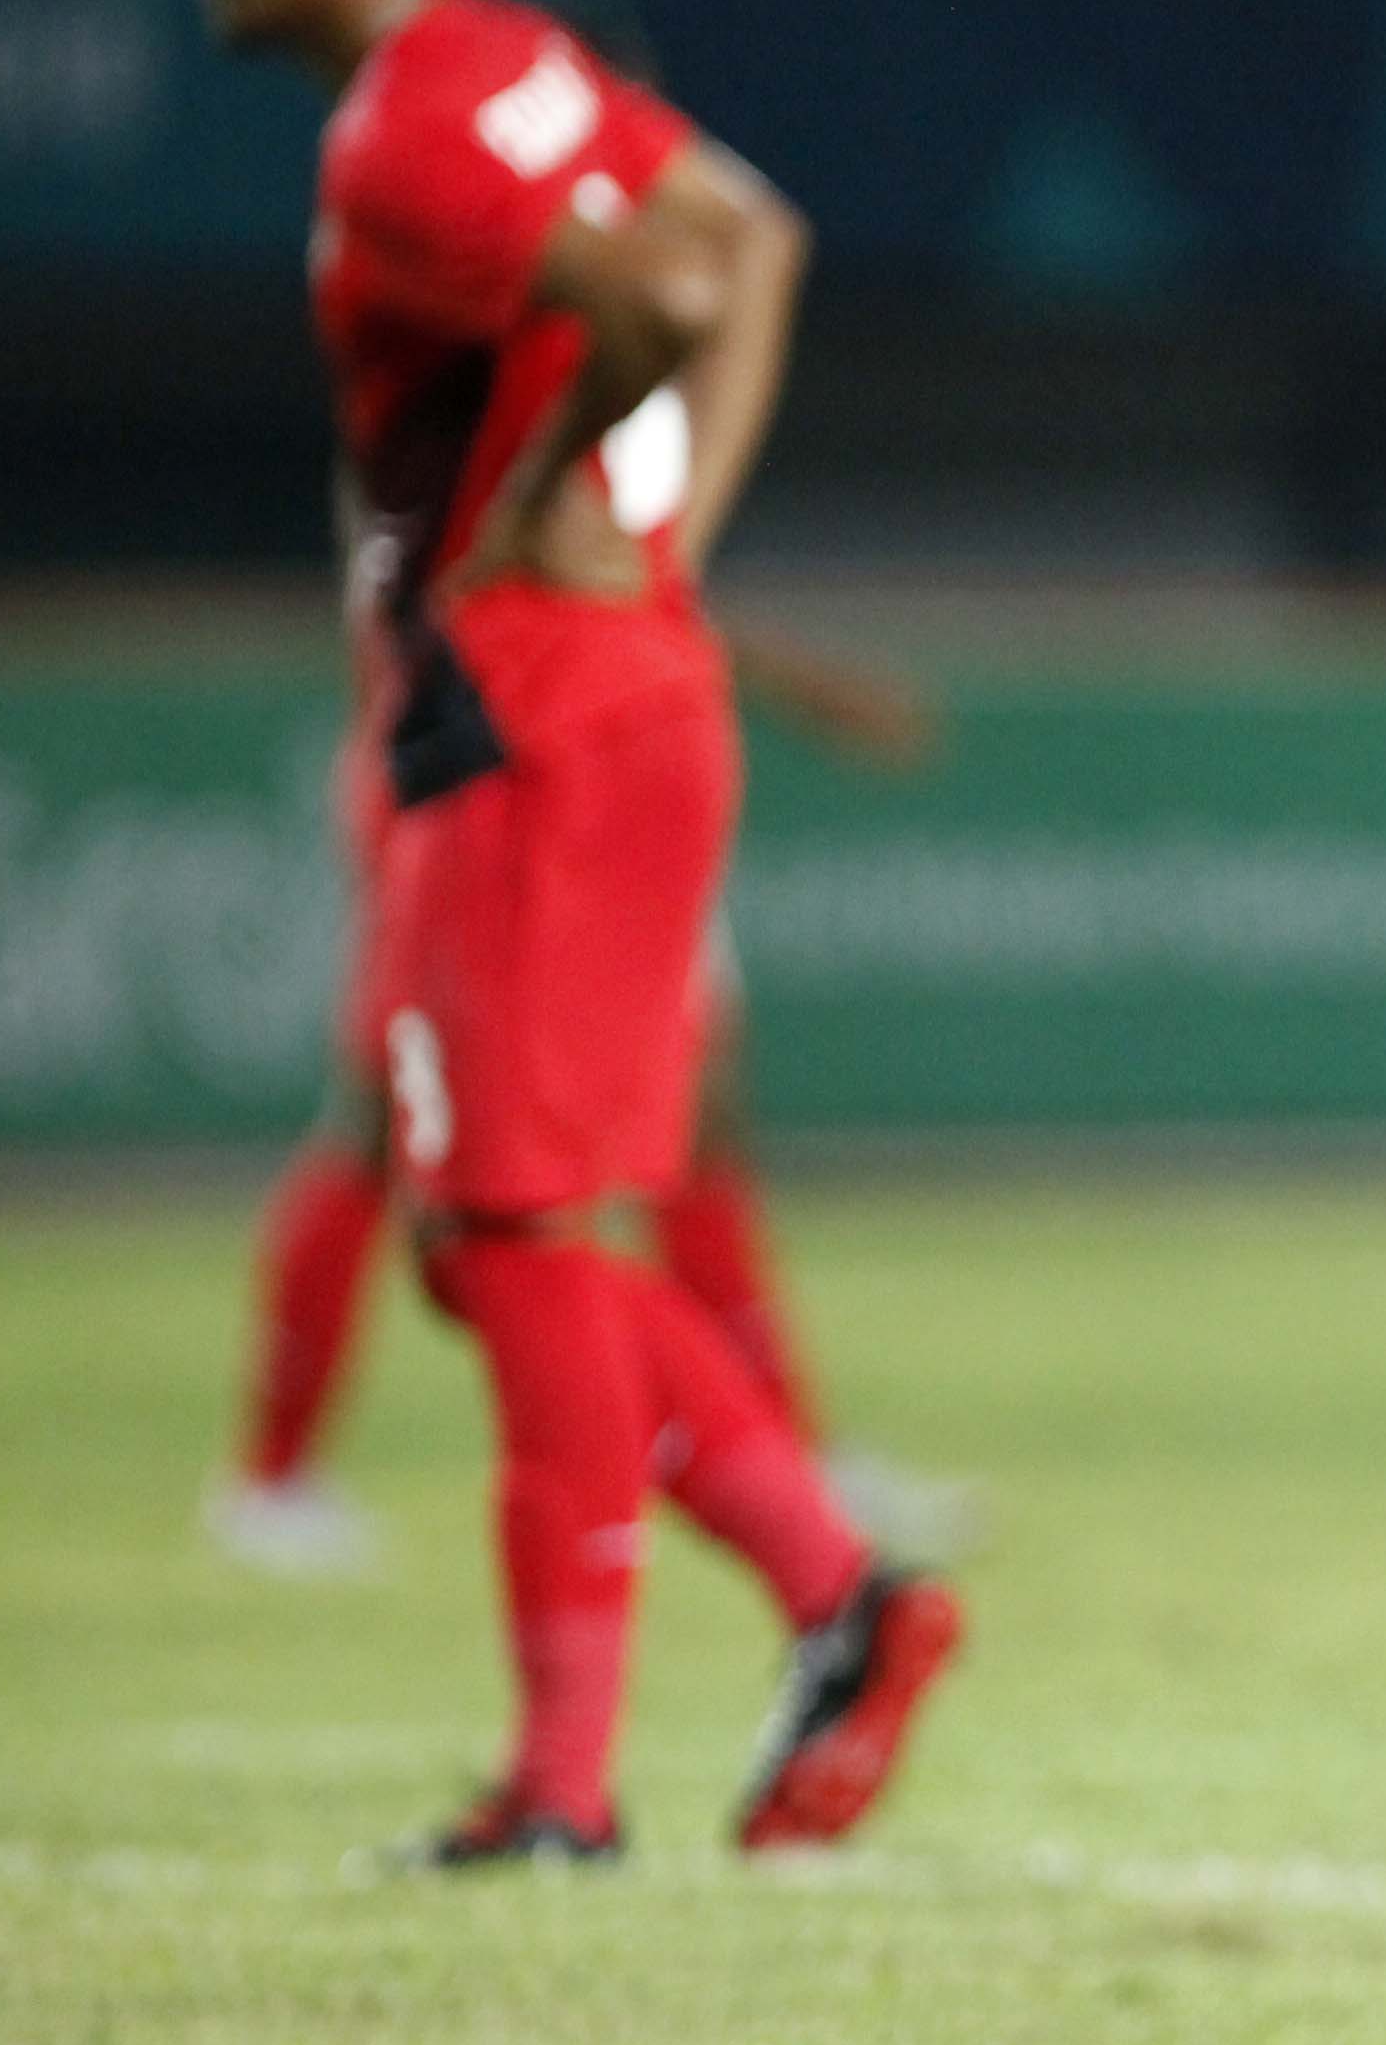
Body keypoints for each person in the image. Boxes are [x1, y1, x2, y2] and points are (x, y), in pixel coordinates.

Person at [175, 0, 963, 1869]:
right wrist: (671, 532)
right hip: (600, 689)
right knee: (498, 1234)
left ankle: (575, 1774)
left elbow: (669, 285)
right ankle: (836, 1604)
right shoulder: (514, 61)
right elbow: (760, 238)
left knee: (506, 1230)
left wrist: (539, 514)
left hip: (521, 708)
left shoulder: (403, 137)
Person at [211, 615, 970, 1580]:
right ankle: (274, 1478)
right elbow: (560, 579)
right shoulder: (512, 476)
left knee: (690, 1118)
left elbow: (604, 581)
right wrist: (798, 679)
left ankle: (789, 1459)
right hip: (523, 766)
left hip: (563, 750)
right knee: (397, 1125)